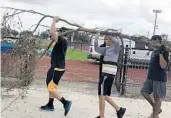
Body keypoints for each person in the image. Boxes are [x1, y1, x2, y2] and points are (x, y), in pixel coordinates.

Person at [40, 16, 72, 116]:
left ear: (63, 34)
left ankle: (65, 102)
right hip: (58, 67)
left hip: (56, 68)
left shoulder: (62, 40)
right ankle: (50, 104)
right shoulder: (63, 42)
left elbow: (53, 34)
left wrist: (54, 21)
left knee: (50, 86)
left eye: (59, 32)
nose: (57, 32)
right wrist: (50, 54)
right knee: (52, 86)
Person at [94, 32, 126, 118]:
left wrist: (110, 35)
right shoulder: (106, 49)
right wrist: (96, 38)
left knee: (101, 95)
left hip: (107, 75)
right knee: (105, 95)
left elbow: (118, 42)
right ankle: (119, 110)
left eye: (106, 38)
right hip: (106, 75)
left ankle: (102, 116)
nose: (105, 40)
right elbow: (97, 49)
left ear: (111, 40)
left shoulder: (116, 48)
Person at [141, 35, 169, 118]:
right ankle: (157, 109)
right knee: (144, 92)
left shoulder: (164, 51)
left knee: (157, 98)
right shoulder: (154, 51)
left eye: (152, 41)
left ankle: (155, 115)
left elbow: (163, 66)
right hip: (150, 77)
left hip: (159, 78)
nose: (151, 43)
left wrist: (161, 52)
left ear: (157, 41)